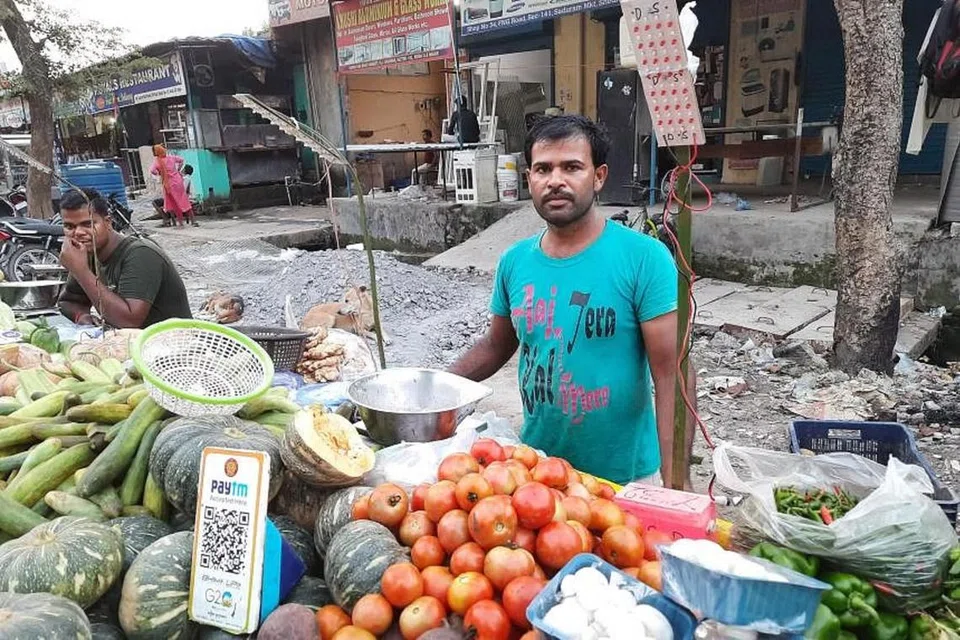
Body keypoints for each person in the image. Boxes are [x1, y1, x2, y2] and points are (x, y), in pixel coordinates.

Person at [448, 115, 693, 488]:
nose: (555, 180)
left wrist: (678, 484)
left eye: (572, 167)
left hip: (624, 482)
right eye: (543, 169)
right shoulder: (515, 262)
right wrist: (436, 387)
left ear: (599, 176)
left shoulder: (644, 258)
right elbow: (496, 345)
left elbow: (672, 373)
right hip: (538, 475)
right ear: (529, 178)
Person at [56, 188, 192, 329]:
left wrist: (81, 272)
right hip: (128, 340)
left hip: (173, 339)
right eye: (69, 226)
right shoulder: (88, 253)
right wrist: (81, 317)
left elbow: (129, 322)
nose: (78, 232)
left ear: (108, 222)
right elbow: (68, 302)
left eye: (88, 224)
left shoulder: (141, 253)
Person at [149, 144, 192, 228]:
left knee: (173, 203)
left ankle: (178, 223)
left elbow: (152, 170)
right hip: (178, 182)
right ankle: (192, 221)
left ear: (157, 152)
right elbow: (181, 160)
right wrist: (178, 169)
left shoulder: (158, 161)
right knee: (183, 202)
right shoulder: (171, 158)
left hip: (169, 184)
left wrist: (160, 173)